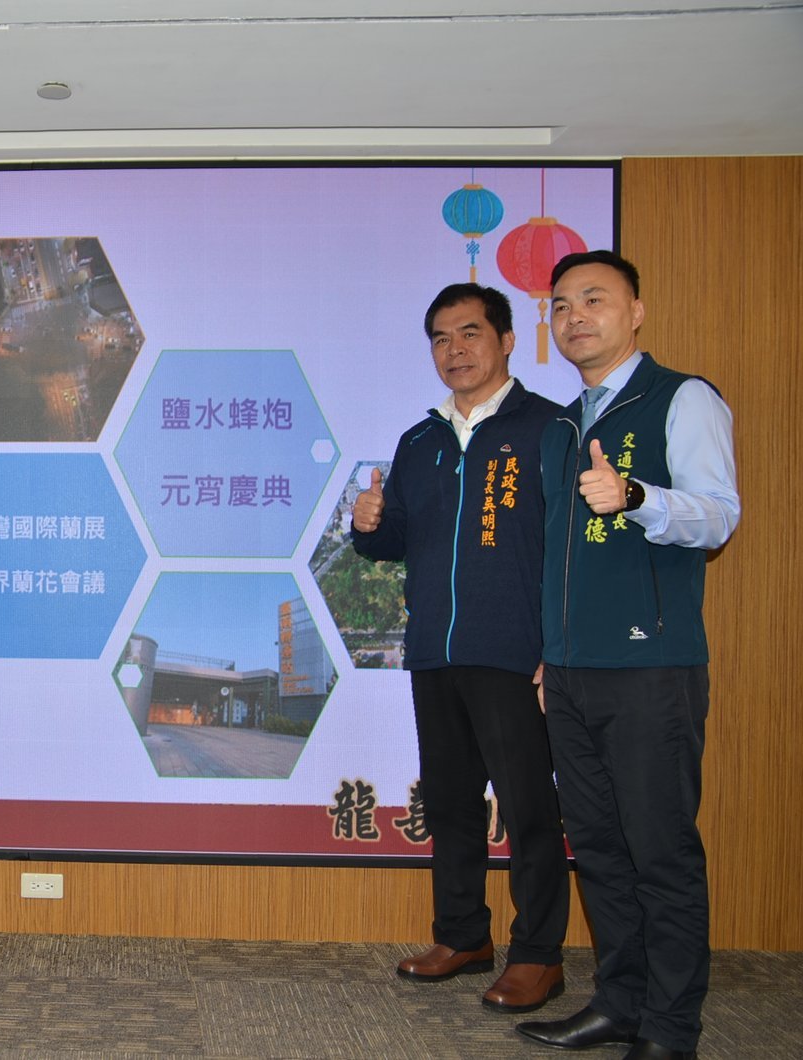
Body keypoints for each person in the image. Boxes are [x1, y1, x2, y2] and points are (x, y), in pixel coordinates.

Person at [516, 251, 739, 1059]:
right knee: (601, 850)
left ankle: (671, 1029)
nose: (575, 316)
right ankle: (620, 1003)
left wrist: (635, 496)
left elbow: (718, 516)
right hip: (572, 673)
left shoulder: (683, 397)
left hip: (651, 669)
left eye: (594, 299)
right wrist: (551, 653)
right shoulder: (561, 427)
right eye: (561, 305)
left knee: (660, 851)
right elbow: (559, 558)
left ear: (635, 311)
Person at [352, 283, 570, 1013]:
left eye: (470, 333)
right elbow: (395, 542)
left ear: (506, 340)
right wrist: (368, 523)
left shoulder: (550, 429)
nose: (455, 350)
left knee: (529, 809)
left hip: (514, 652)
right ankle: (463, 936)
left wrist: (555, 647)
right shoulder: (419, 441)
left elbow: (570, 548)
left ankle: (537, 955)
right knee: (449, 804)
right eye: (441, 339)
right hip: (434, 651)